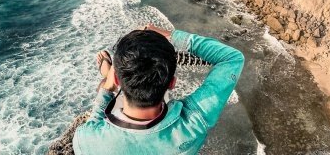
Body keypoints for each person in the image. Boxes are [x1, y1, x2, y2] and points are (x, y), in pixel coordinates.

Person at [72, 23, 245, 155]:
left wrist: (107, 88)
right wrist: (172, 35)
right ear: (172, 83)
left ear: (116, 78)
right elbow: (231, 58)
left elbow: (94, 121)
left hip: (118, 89)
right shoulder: (194, 122)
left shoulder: (86, 140)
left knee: (115, 94)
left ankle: (106, 73)